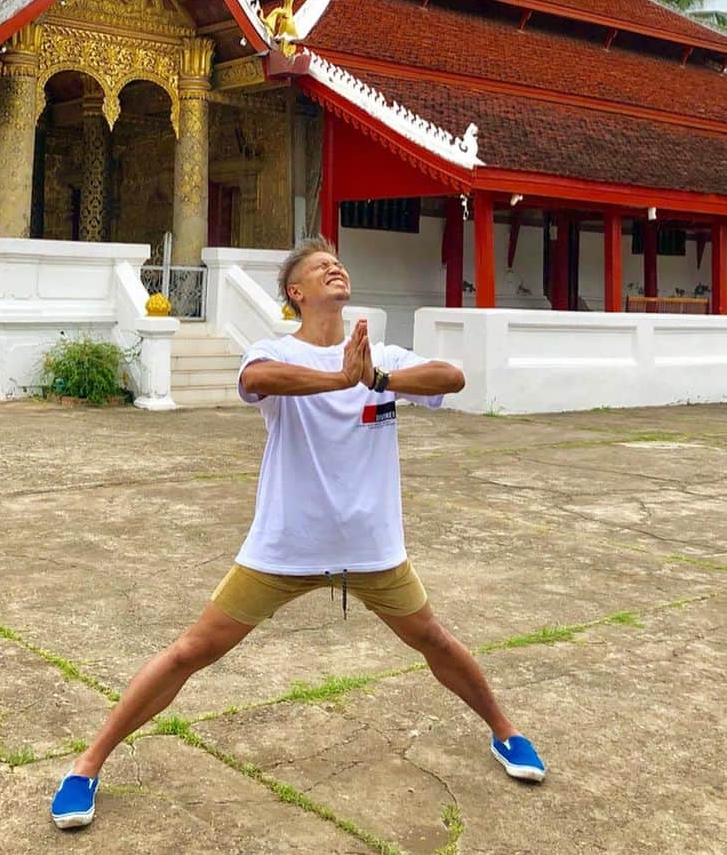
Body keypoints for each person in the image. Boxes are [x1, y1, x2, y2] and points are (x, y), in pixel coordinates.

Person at [51, 237, 545, 830]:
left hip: (371, 548)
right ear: (297, 292)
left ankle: (506, 732)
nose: (335, 268)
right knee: (191, 651)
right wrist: (340, 380)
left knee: (434, 640)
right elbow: (261, 378)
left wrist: (378, 375)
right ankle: (87, 765)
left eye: (338, 263)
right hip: (285, 548)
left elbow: (452, 376)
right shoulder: (271, 351)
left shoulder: (379, 353)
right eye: (319, 267)